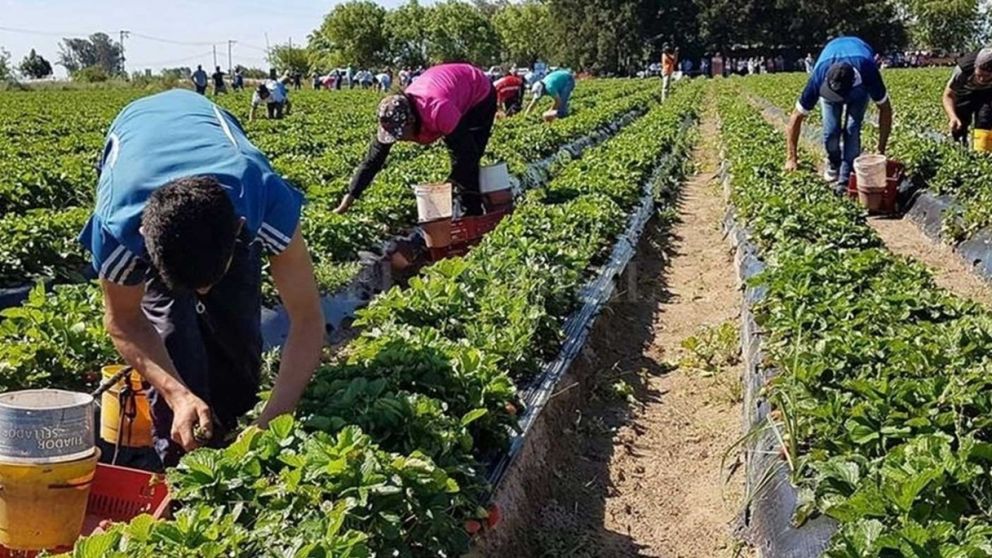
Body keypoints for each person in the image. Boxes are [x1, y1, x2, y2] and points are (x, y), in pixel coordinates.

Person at [79, 90, 324, 467]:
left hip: (211, 149)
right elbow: (124, 320)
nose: (203, 292)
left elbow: (307, 317)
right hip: (137, 143)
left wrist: (271, 420)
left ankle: (233, 422)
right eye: (189, 282)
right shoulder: (116, 228)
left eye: (212, 277)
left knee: (238, 328)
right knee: (172, 334)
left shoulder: (261, 195)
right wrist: (178, 394)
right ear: (146, 244)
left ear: (240, 229)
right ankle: (180, 460)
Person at [334, 63, 497, 217]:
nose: (399, 139)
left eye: (400, 134)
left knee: (467, 156)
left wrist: (447, 186)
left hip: (478, 93)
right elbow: (372, 161)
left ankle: (472, 213)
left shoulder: (438, 111)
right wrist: (350, 195)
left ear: (411, 120)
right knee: (460, 160)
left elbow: (468, 154)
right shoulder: (391, 119)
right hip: (448, 89)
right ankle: (465, 209)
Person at [785, 36, 893, 193]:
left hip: (859, 90)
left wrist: (880, 152)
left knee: (852, 128)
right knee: (831, 131)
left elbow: (885, 109)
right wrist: (791, 158)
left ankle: (846, 175)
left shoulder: (867, 71)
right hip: (830, 63)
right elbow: (796, 117)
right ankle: (834, 162)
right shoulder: (819, 75)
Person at [942, 47, 992, 148]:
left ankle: (983, 153)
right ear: (975, 67)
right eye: (979, 75)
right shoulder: (963, 70)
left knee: (985, 120)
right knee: (959, 123)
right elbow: (948, 95)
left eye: (987, 76)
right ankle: (960, 148)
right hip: (965, 92)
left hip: (989, 93)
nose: (982, 79)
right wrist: (953, 117)